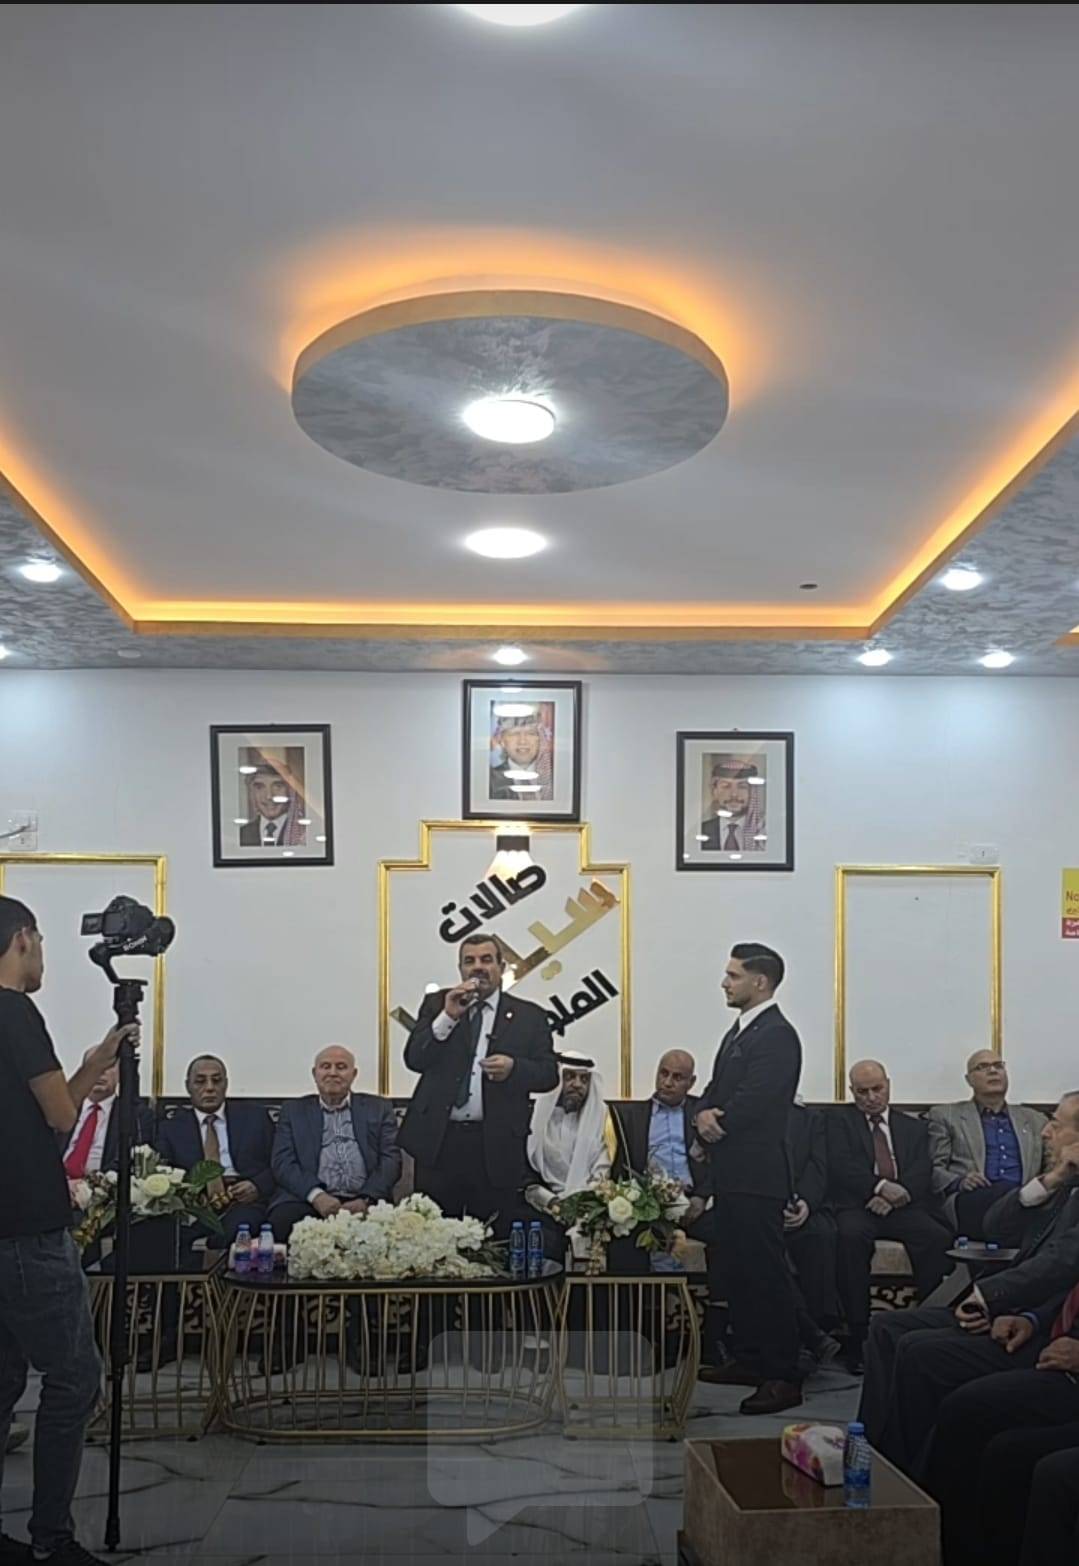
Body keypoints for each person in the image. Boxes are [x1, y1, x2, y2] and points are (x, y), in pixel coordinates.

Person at [0, 893, 137, 1566]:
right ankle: (51, 1537)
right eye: (41, 942)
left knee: (4, 1380)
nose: (42, 956)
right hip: (28, 1228)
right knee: (75, 1378)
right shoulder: (14, 1011)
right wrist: (94, 1068)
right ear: (23, 937)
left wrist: (97, 1059)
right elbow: (59, 1115)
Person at [858, 1093, 1079, 1470]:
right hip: (1018, 1310)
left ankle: (902, 1475)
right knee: (886, 1327)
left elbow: (1061, 1264)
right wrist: (1051, 1179)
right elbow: (995, 1225)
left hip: (1036, 1324)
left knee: (918, 1352)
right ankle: (872, 1452)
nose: (1045, 1133)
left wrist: (996, 1300)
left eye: (1056, 1125)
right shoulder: (1062, 1183)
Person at [693, 942, 803, 1416]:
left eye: (733, 975)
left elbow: (757, 1098)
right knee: (738, 1272)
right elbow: (716, 1089)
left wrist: (716, 1124)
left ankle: (783, 1375)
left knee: (766, 1275)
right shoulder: (740, 1031)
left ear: (760, 982)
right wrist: (701, 1113)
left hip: (758, 1176)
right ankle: (751, 1358)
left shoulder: (777, 1035)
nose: (725, 982)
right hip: (732, 1175)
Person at [398, 934, 558, 1237]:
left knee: (490, 1238)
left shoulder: (530, 1016)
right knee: (434, 1238)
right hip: (440, 1143)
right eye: (469, 961)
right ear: (460, 969)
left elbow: (549, 1074)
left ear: (501, 967)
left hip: (495, 1145)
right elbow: (415, 1059)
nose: (478, 967)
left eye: (486, 960)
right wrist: (448, 1017)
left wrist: (514, 1068)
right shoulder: (438, 1004)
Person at [827, 1059, 951, 1372]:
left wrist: (897, 1195)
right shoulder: (838, 1122)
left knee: (936, 1238)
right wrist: (880, 1187)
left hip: (902, 1205)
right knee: (850, 1238)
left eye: (877, 1089)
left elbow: (923, 1169)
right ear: (852, 1091)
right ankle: (857, 1336)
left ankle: (929, 1326)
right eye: (862, 1091)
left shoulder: (913, 1127)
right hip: (858, 1204)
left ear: (888, 1086)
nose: (871, 1097)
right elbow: (840, 1166)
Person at [269, 1046, 400, 1241]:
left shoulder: (379, 1108)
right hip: (307, 1198)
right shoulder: (293, 1110)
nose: (332, 1073)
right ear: (314, 1074)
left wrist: (366, 1199)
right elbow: (282, 1162)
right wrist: (316, 1196)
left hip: (366, 1199)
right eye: (325, 1067)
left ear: (354, 1074)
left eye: (341, 1067)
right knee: (283, 1220)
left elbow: (391, 1160)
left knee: (388, 1231)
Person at [155, 1055, 275, 1245]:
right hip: (197, 1205)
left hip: (244, 1200)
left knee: (236, 1228)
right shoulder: (170, 1128)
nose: (210, 1087)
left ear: (226, 1084)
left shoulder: (255, 1117)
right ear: (188, 1086)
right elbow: (163, 1172)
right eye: (200, 1081)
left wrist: (257, 1185)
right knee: (168, 1235)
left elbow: (279, 1163)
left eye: (217, 1080)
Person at [928, 1051, 1046, 1236]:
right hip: (974, 1198)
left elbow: (1052, 1165)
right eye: (982, 1067)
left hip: (1025, 1197)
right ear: (969, 1080)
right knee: (1009, 1196)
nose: (993, 1071)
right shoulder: (946, 1116)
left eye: (998, 1066)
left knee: (1025, 1199)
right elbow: (933, 1169)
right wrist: (960, 1181)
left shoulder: (1035, 1120)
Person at [785, 1099, 840, 1368]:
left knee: (820, 1235)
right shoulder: (746, 1115)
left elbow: (818, 1166)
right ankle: (806, 1334)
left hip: (803, 1202)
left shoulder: (811, 1119)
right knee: (764, 1245)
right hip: (759, 1203)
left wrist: (804, 1202)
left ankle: (819, 1327)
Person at [525, 1056, 619, 1208]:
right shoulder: (534, 1117)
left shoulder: (601, 1120)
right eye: (569, 1077)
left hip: (591, 1206)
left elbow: (602, 1170)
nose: (577, 1084)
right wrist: (551, 1202)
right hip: (541, 1205)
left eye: (584, 1079)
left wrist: (585, 1202)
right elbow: (526, 1173)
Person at [63, 1048, 154, 1181]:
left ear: (120, 1073)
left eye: (108, 1066)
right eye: (94, 1066)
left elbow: (133, 1162)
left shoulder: (135, 1116)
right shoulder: (64, 1108)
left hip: (102, 1187)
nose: (101, 1072)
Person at [698, 757, 766, 854]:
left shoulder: (763, 832)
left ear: (752, 792)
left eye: (742, 786)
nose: (734, 794)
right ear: (715, 791)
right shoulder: (699, 832)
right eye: (726, 786)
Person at [238, 758, 307, 848]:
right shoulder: (241, 835)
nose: (269, 796)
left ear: (290, 790)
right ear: (252, 792)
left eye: (278, 786)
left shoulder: (305, 834)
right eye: (260, 787)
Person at [488, 711, 552, 803]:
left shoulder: (555, 779)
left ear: (540, 739)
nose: (522, 741)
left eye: (530, 733)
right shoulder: (489, 780)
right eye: (514, 733)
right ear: (502, 741)